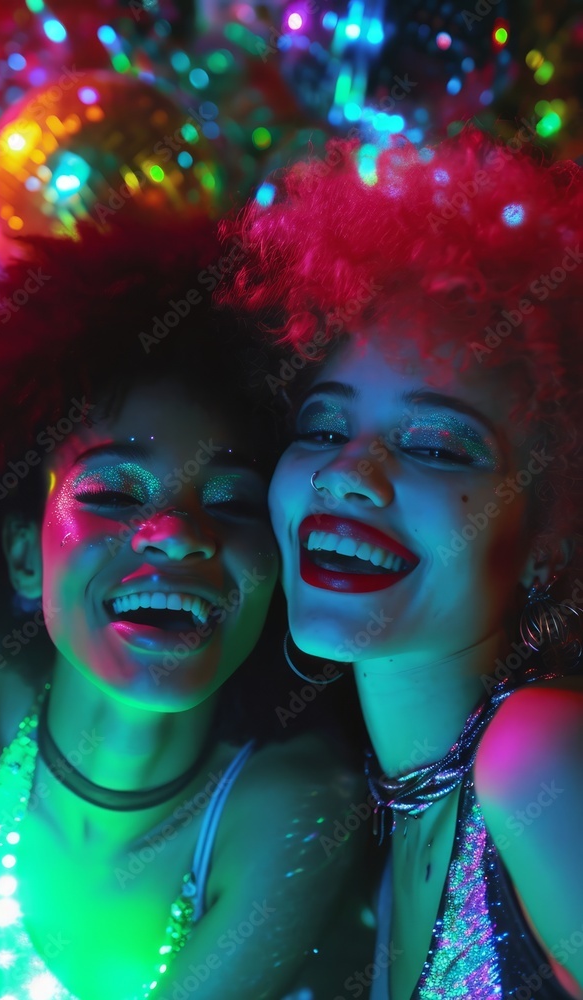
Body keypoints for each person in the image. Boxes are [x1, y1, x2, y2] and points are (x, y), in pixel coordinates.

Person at [0, 214, 360, 999]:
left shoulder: (295, 806)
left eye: (230, 503)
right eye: (115, 492)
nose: (176, 536)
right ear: (24, 553)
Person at [220, 125, 583, 999]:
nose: (348, 473)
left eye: (435, 445)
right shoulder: (393, 823)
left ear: (550, 539)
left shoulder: (534, 755)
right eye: (324, 428)